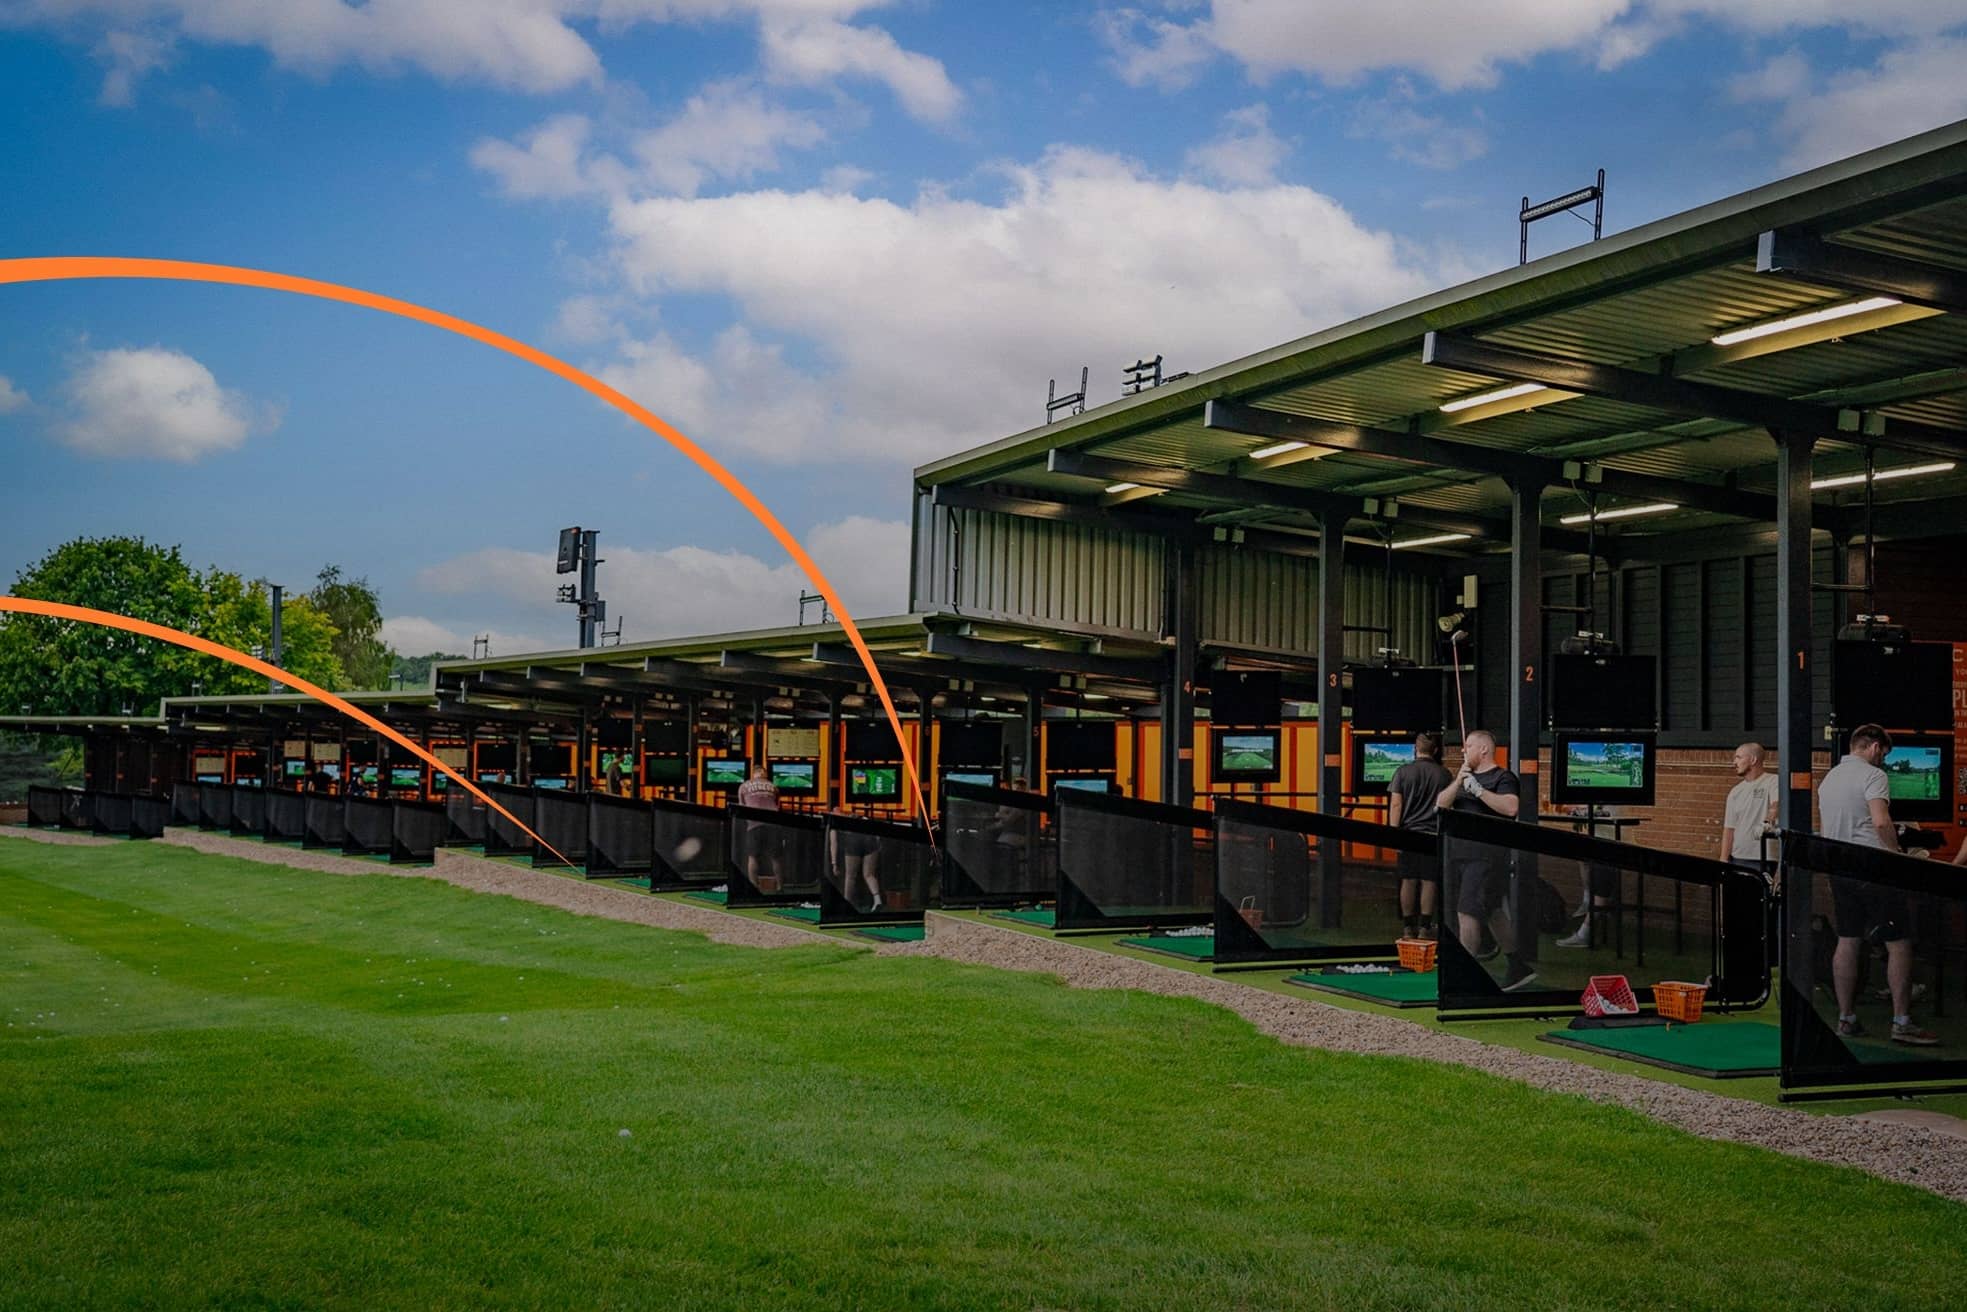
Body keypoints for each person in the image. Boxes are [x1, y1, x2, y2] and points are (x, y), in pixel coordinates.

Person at [1818, 723, 1936, 1046]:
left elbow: (1830, 826)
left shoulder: (1830, 778)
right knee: (1898, 942)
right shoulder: (1874, 776)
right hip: (1874, 869)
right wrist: (1896, 853)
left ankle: (1846, 1018)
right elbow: (1881, 821)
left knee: (1848, 939)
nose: (1883, 760)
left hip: (1839, 868)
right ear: (1872, 747)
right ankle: (1901, 1021)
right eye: (1883, 753)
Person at [1434, 729, 1535, 991]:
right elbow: (1440, 805)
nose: (1463, 751)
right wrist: (1459, 781)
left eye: (1467, 746)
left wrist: (1478, 791)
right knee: (1492, 912)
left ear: (1483, 750)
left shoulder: (1503, 778)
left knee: (1466, 911)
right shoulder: (1465, 778)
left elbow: (1511, 807)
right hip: (1460, 855)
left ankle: (1465, 976)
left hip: (1487, 856)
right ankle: (1518, 965)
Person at [1386, 731, 1451, 940]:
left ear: (1416, 748)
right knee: (1429, 881)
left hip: (1407, 834)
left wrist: (1393, 834)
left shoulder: (1402, 772)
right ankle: (1424, 928)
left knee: (1408, 880)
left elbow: (1396, 804)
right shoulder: (1444, 774)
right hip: (1433, 836)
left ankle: (1407, 927)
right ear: (1436, 750)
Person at [1720, 741, 1779, 871]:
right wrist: (1723, 860)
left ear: (1753, 760)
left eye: (1739, 757)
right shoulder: (1735, 792)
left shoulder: (1773, 781)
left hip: (1764, 857)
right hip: (1738, 857)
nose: (1734, 762)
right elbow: (1729, 829)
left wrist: (1766, 823)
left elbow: (1776, 804)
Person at [736, 764, 783, 889]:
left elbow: (742, 807)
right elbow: (777, 806)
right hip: (773, 823)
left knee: (752, 856)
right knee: (776, 857)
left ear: (754, 773)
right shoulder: (773, 786)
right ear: (764, 774)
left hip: (754, 824)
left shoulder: (744, 786)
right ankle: (780, 886)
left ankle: (753, 887)